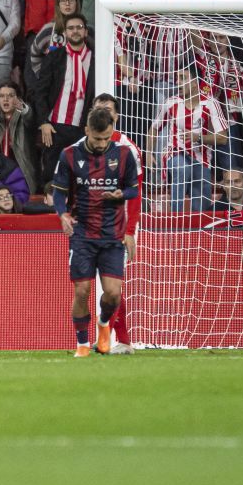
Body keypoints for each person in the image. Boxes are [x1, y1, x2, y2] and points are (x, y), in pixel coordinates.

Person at [52, 107, 140, 357]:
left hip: (113, 235)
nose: (102, 143)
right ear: (87, 130)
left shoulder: (124, 155)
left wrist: (121, 194)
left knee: (112, 294)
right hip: (81, 234)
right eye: (97, 138)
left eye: (107, 138)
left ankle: (103, 325)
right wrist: (62, 214)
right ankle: (81, 345)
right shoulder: (69, 155)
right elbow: (59, 192)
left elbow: (134, 190)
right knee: (81, 291)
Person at [90, 93, 142, 355]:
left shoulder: (127, 148)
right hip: (89, 228)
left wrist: (130, 230)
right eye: (100, 110)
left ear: (117, 117)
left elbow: (136, 192)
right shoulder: (80, 146)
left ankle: (117, 339)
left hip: (117, 227)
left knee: (113, 287)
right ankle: (113, 338)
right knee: (94, 287)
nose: (104, 115)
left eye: (109, 111)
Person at [146, 66, 228, 213]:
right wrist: (148, 153)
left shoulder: (211, 103)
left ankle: (198, 231)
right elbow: (154, 128)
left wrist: (199, 138)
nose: (178, 82)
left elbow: (222, 138)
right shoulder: (171, 102)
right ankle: (176, 217)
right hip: (175, 152)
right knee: (183, 168)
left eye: (183, 78)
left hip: (201, 158)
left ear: (195, 82)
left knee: (201, 210)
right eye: (178, 78)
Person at [33, 14, 95, 189]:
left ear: (85, 31)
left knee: (82, 177)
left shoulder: (96, 59)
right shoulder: (54, 57)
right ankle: (51, 213)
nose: (75, 31)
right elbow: (40, 91)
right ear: (65, 32)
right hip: (55, 126)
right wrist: (44, 122)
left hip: (83, 127)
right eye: (71, 28)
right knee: (52, 175)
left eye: (79, 27)